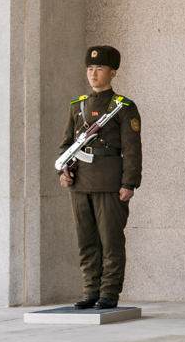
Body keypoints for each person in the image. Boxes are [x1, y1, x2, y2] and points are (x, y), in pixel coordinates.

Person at [58, 46, 141, 308]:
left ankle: (109, 293)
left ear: (113, 73)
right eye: (90, 69)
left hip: (109, 183)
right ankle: (90, 291)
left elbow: (132, 149)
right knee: (86, 241)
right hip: (80, 183)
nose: (93, 74)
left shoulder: (123, 107)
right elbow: (66, 145)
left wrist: (129, 183)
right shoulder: (77, 106)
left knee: (111, 241)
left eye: (100, 69)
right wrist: (65, 171)